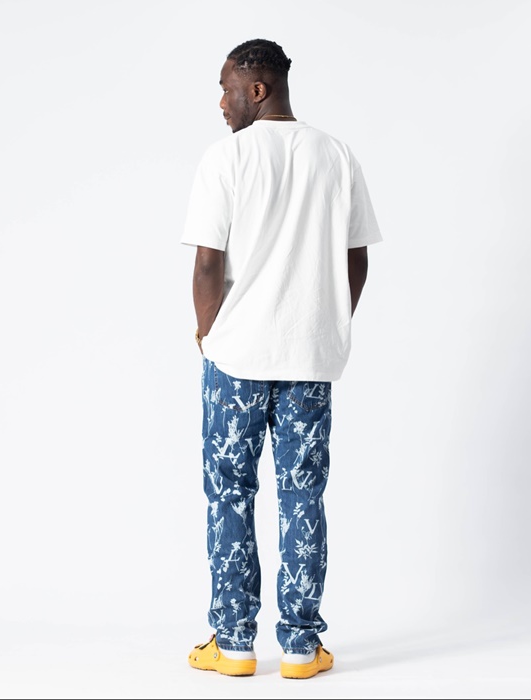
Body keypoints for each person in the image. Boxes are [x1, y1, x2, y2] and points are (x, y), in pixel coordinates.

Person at [181, 38, 382, 679]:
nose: (221, 102)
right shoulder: (336, 155)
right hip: (309, 360)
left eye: (226, 89)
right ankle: (300, 647)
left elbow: (207, 263)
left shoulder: (227, 158)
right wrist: (328, 320)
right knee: (303, 496)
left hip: (236, 357)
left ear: (257, 88)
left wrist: (207, 333)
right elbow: (357, 258)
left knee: (229, 494)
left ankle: (233, 644)